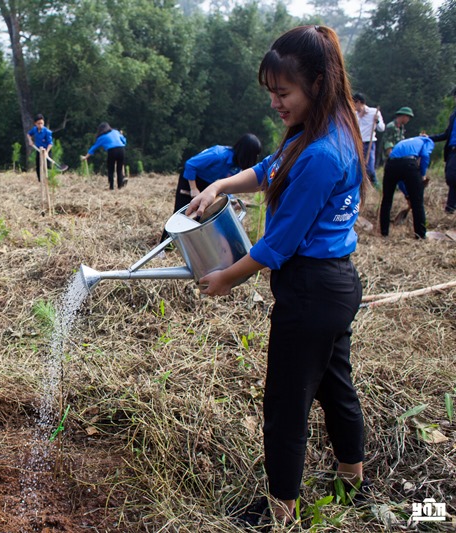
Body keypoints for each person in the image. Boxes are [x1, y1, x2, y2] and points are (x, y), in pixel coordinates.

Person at [187, 25, 368, 527]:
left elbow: (278, 244)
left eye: (283, 92)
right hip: (336, 285)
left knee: (286, 404)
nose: (275, 104)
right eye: (271, 93)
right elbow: (268, 168)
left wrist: (226, 276)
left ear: (316, 81)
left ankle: (279, 511)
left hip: (311, 291)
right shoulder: (327, 129)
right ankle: (352, 478)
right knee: (335, 386)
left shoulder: (319, 155)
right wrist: (221, 182)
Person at [160, 134, 262, 241]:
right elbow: (190, 165)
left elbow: (224, 185)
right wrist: (193, 188)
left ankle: (184, 245)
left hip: (210, 186)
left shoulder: (236, 167)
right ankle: (163, 249)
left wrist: (233, 200)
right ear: (246, 153)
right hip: (191, 179)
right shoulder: (218, 154)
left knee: (202, 217)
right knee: (181, 214)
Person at [380, 135, 434, 239]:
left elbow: (400, 181)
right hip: (409, 164)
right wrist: (422, 174)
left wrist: (408, 195)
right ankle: (420, 235)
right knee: (417, 203)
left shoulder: (405, 142)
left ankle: (384, 232)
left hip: (391, 164)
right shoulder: (427, 141)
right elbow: (425, 155)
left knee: (386, 199)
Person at [426, 87, 456, 214]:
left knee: (453, 178)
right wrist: (429, 138)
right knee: (451, 178)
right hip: (452, 151)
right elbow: (446, 135)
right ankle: (450, 208)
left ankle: (450, 208)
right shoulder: (453, 115)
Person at [382, 107, 415, 213]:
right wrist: (392, 157)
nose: (408, 120)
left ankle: (408, 196)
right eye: (408, 117)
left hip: (400, 159)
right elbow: (388, 143)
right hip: (392, 159)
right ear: (403, 116)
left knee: (403, 181)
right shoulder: (391, 127)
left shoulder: (401, 128)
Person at [80, 122, 127, 190]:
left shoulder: (101, 137)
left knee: (111, 169)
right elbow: (124, 142)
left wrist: (86, 156)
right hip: (121, 150)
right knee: (119, 169)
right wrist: (121, 135)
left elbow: (94, 147)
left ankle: (111, 187)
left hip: (112, 151)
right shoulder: (115, 132)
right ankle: (120, 187)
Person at [353, 92, 384, 188]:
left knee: (370, 166)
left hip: (369, 143)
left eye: (355, 103)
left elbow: (381, 128)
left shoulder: (374, 112)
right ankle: (360, 186)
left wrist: (377, 121)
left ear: (359, 102)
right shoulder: (354, 114)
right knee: (357, 166)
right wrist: (359, 116)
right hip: (356, 143)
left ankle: (375, 184)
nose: (353, 105)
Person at [27, 113, 53, 182]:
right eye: (38, 123)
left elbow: (50, 144)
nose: (40, 125)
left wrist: (46, 153)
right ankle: (40, 181)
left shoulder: (47, 132)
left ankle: (48, 181)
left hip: (47, 150)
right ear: (35, 123)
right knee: (38, 166)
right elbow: (28, 134)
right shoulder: (34, 130)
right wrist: (30, 141)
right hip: (39, 150)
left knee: (47, 167)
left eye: (42, 123)